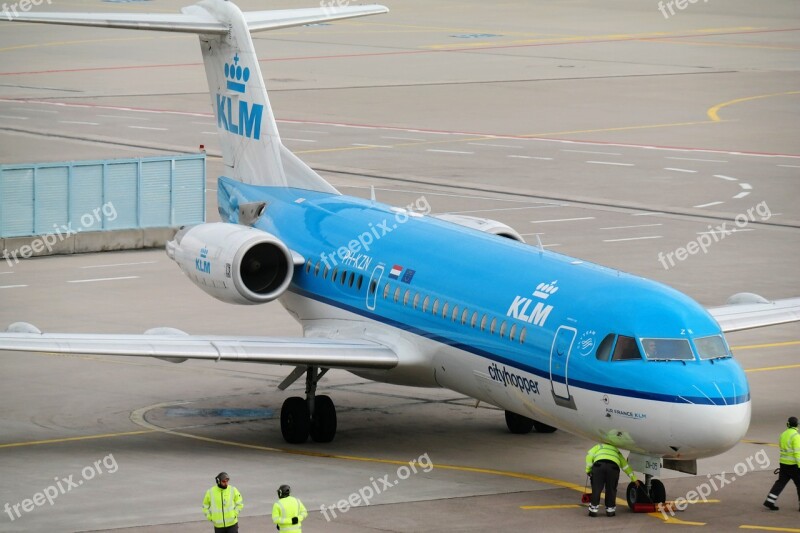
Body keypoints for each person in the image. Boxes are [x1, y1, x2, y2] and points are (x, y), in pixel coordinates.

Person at [585, 443, 640, 517]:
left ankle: (593, 510)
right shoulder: (616, 450)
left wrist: (588, 470)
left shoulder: (598, 447)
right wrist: (634, 479)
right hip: (613, 468)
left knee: (597, 489)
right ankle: (610, 510)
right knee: (611, 489)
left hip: (599, 466)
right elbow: (625, 465)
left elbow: (589, 456)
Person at [763, 416, 800, 511]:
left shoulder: (783, 434)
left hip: (783, 464)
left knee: (780, 483)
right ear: (797, 425)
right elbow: (797, 453)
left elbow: (781, 446)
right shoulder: (796, 436)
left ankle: (770, 501)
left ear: (787, 424)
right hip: (794, 466)